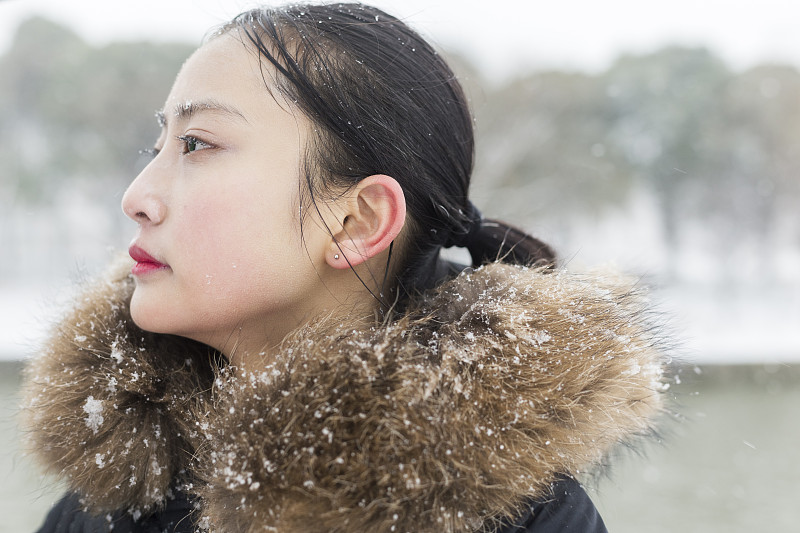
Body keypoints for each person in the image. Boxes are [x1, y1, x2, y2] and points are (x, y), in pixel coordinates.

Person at [22, 3, 668, 532]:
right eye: (157, 144)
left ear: (358, 221)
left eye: (197, 144)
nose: (136, 196)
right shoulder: (125, 490)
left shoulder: (522, 520)